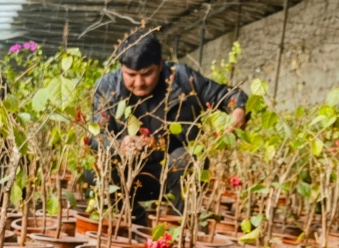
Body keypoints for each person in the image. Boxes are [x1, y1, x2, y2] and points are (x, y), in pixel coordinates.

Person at [87, 29, 248, 226]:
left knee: (185, 160)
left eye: (147, 74)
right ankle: (134, 221)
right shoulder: (106, 87)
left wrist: (238, 109)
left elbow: (226, 95)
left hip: (172, 174)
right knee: (93, 171)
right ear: (121, 68)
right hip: (129, 172)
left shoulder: (181, 78)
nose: (139, 83)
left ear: (161, 65)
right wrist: (119, 145)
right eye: (131, 75)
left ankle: (186, 229)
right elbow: (97, 135)